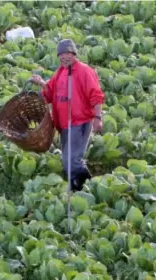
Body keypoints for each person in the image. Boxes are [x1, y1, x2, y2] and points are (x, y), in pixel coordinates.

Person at [30, 38, 105, 191]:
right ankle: (79, 188)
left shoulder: (85, 71)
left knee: (71, 159)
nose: (64, 57)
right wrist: (42, 84)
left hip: (80, 122)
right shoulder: (60, 72)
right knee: (68, 160)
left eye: (67, 53)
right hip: (64, 124)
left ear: (74, 54)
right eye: (61, 55)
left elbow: (96, 95)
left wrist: (98, 118)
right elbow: (50, 94)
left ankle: (87, 187)